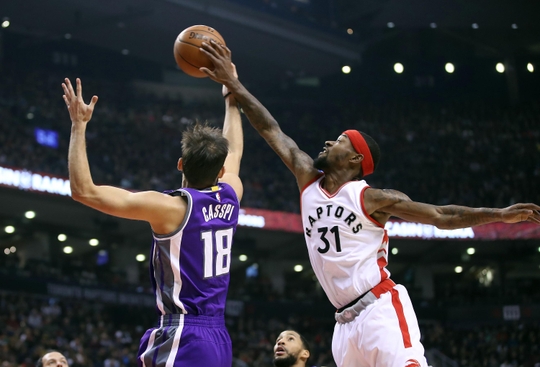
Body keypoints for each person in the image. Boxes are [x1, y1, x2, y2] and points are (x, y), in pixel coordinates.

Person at [197, 40, 540, 367]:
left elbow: (440, 215)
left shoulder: (371, 197)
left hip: (380, 308)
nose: (330, 140)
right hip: (343, 325)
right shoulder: (307, 179)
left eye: (341, 140)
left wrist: (499, 214)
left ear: (355, 158)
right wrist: (233, 84)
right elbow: (271, 130)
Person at [61, 73, 244, 367]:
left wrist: (78, 125)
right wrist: (231, 96)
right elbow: (234, 151)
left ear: (181, 164)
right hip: (219, 337)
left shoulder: (170, 207)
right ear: (220, 172)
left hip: (183, 332)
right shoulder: (231, 193)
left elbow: (84, 191)